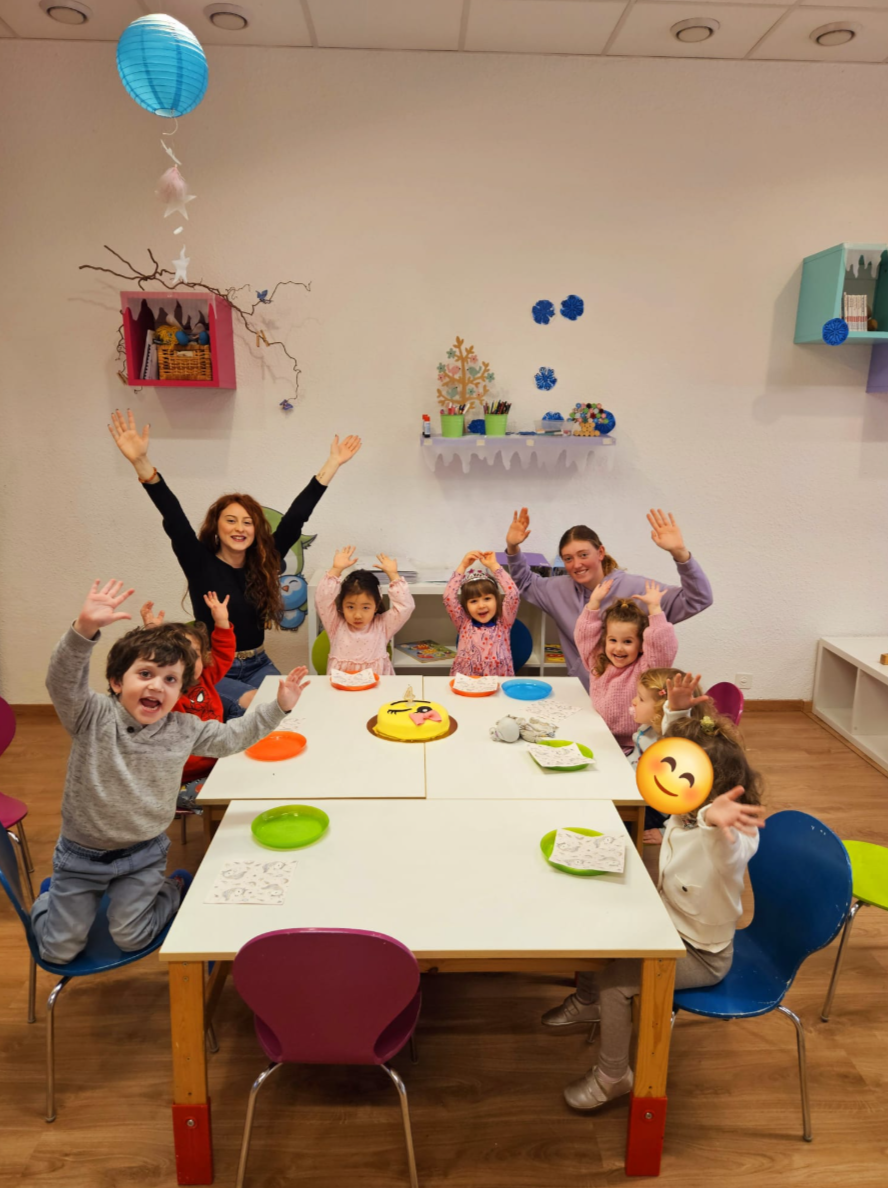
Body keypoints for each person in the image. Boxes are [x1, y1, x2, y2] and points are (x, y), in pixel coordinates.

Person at [31, 579, 310, 965]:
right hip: (80, 858)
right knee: (58, 950)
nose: (157, 687)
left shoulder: (183, 728)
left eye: (170, 680)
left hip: (143, 855)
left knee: (132, 937)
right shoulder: (91, 716)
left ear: (181, 691)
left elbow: (232, 738)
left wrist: (278, 707)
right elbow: (61, 681)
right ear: (117, 681)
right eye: (145, 674)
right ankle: (53, 901)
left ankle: (173, 887)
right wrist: (84, 629)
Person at [541, 715, 766, 1112]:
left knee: (615, 983)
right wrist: (675, 714)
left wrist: (713, 822)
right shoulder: (684, 812)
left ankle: (613, 1076)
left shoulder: (732, 837)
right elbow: (672, 752)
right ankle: (588, 1002)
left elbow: (726, 853)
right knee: (598, 924)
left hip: (702, 954)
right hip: (668, 923)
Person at [108, 408, 360, 716]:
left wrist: (332, 463)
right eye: (231, 520)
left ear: (256, 530)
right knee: (258, 708)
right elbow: (173, 515)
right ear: (217, 527)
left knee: (297, 707)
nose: (240, 528)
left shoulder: (264, 561)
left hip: (258, 663)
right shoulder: (198, 561)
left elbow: (296, 517)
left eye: (247, 522)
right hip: (213, 668)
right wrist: (141, 463)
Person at [504, 507, 712, 691]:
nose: (577, 564)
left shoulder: (638, 589)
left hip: (631, 699)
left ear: (600, 552)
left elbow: (698, 598)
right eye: (568, 558)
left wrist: (680, 554)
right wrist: (512, 548)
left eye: (583, 555)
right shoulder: (558, 589)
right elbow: (525, 582)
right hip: (585, 692)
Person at [140, 590, 234, 811]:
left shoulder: (206, 677)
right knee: (227, 796)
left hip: (216, 762)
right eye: (179, 657)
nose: (190, 663)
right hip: (179, 781)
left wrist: (222, 622)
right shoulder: (159, 694)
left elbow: (224, 653)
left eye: (195, 655)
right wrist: (151, 635)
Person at [575, 579, 677, 751]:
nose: (619, 648)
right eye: (613, 640)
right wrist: (593, 603)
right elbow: (584, 635)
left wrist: (654, 609)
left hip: (638, 744)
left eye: (628, 641)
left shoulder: (646, 669)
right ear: (605, 640)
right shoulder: (598, 662)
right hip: (600, 737)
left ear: (642, 644)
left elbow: (662, 646)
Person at [628, 669, 711, 842]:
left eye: (641, 699)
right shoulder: (648, 729)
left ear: (661, 710)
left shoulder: (677, 749)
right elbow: (637, 758)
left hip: (658, 812)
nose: (634, 702)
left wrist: (666, 831)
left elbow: (691, 800)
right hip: (640, 791)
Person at [315, 547, 414, 675]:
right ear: (342, 605)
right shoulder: (335, 624)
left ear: (376, 606)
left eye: (365, 607)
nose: (357, 615)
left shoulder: (383, 625)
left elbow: (405, 607)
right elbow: (322, 599)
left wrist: (393, 575)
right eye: (350, 607)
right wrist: (336, 569)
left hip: (377, 685)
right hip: (342, 685)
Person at [443, 551, 520, 677]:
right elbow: (448, 597)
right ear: (466, 605)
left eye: (487, 599)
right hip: (467, 680)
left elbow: (513, 594)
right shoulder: (463, 622)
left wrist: (494, 565)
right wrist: (463, 565)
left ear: (496, 599)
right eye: (473, 601)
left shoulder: (504, 622)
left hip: (497, 679)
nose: (481, 606)